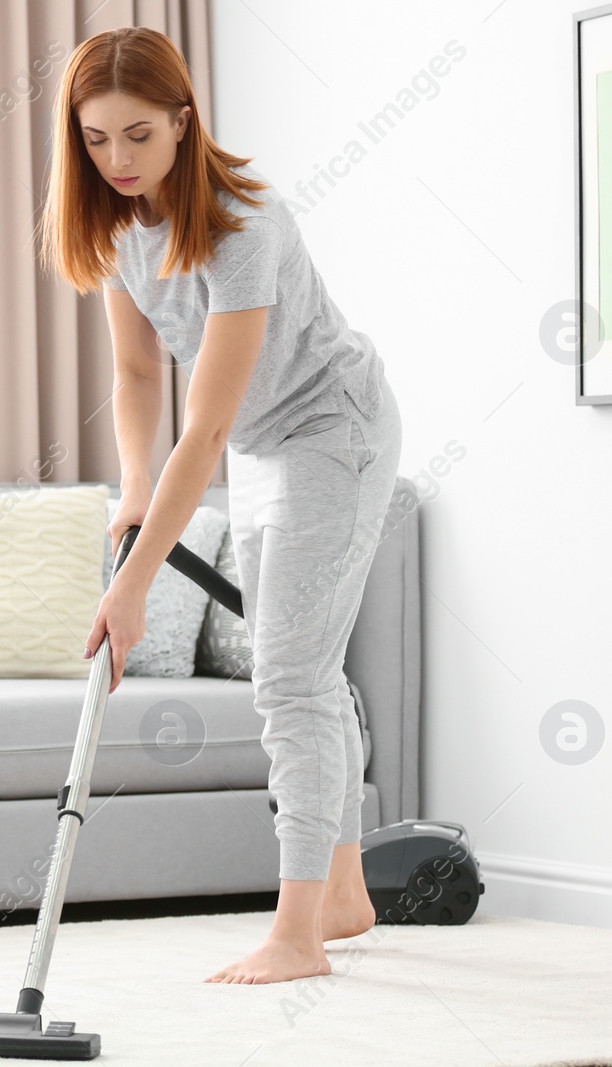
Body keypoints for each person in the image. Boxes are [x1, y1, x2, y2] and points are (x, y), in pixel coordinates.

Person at [40, 27, 403, 985]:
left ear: (183, 124)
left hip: (335, 431)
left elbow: (198, 433)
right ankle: (346, 890)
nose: (116, 160)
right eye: (95, 138)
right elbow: (132, 374)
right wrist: (128, 490)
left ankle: (297, 936)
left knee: (287, 675)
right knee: (300, 672)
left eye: (138, 136)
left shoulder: (246, 222)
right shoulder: (120, 229)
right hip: (259, 447)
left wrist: (134, 590)